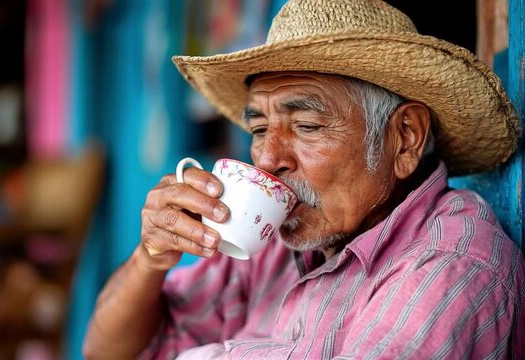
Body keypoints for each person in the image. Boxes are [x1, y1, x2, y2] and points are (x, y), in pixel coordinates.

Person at [83, 0, 525, 358]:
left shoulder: (450, 263)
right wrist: (150, 257)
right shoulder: (273, 246)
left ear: (404, 139)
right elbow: (106, 350)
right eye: (259, 130)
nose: (268, 158)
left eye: (308, 127)